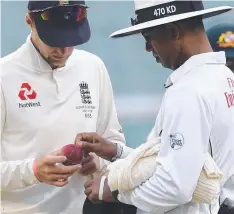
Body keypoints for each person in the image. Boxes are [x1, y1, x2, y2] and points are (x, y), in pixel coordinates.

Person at [77, 1, 234, 214]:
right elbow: (184, 162)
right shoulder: (224, 77)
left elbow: (175, 187)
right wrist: (117, 151)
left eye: (148, 37)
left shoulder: (188, 91)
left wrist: (112, 190)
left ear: (173, 32)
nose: (147, 47)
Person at [0, 1, 132, 213]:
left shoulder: (93, 67)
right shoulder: (4, 76)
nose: (64, 50)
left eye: (71, 40)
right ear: (29, 22)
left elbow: (114, 141)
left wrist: (97, 160)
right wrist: (33, 171)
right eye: (54, 39)